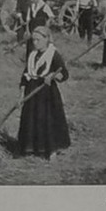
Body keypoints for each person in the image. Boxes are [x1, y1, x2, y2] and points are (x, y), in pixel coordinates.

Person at [16, 25, 70, 157]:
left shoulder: (53, 54)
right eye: (33, 40)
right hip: (31, 92)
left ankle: (51, 149)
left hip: (47, 94)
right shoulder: (32, 55)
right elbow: (25, 76)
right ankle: (32, 148)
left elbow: (64, 74)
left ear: (47, 39)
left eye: (38, 40)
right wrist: (21, 95)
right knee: (31, 119)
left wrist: (53, 76)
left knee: (46, 119)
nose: (35, 43)